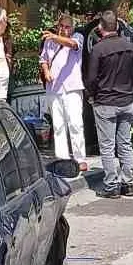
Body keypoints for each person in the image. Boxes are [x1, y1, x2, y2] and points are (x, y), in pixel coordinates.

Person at [83, 10, 133, 197]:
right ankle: (128, 183)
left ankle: (111, 185)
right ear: (117, 25)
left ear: (100, 27)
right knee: (125, 143)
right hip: (127, 100)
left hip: (105, 101)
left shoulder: (98, 49)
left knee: (107, 146)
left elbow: (90, 78)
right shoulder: (129, 46)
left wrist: (92, 95)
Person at [39, 11, 86, 166]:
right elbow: (43, 59)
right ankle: (62, 157)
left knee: (75, 123)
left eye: (67, 27)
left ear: (72, 28)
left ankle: (80, 158)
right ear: (57, 26)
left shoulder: (77, 38)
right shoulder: (49, 42)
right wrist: (46, 71)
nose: (64, 29)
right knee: (58, 125)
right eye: (61, 26)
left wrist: (55, 37)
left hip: (72, 88)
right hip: (54, 88)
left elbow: (73, 45)